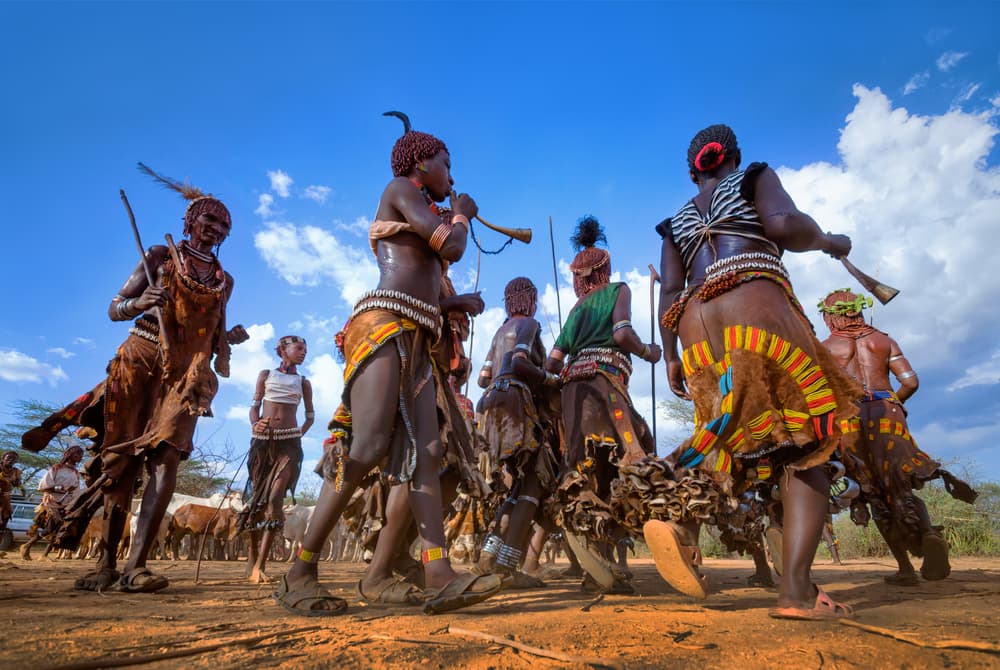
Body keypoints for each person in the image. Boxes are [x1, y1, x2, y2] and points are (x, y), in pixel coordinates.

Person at [276, 115, 502, 616]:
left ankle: (436, 572)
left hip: (417, 334)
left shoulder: (421, 205)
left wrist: (452, 303)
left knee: (430, 449)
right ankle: (300, 569)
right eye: (447, 163)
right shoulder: (401, 187)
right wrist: (460, 214)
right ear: (422, 162)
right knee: (371, 444)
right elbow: (453, 245)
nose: (452, 174)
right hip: (383, 325)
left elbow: (423, 274)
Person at [655, 125, 861, 619]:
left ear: (693, 171)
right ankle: (796, 592)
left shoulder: (675, 221)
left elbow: (668, 293)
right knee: (808, 443)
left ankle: (679, 518)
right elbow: (784, 223)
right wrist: (829, 240)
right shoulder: (754, 175)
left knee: (720, 434)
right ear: (733, 156)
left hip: (695, 326)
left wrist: (670, 355)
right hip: (753, 304)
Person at [20, 164, 249, 593]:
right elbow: (114, 307)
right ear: (190, 221)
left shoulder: (224, 281)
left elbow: (216, 330)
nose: (216, 228)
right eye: (210, 219)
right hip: (140, 357)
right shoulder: (162, 258)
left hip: (185, 375)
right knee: (118, 462)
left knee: (167, 463)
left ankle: (137, 566)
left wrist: (228, 338)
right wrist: (141, 300)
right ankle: (105, 564)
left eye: (223, 224)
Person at [819, 288, 977, 585]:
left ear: (831, 316)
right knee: (900, 483)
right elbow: (911, 382)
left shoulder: (826, 348)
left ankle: (905, 568)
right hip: (888, 414)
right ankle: (928, 533)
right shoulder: (884, 340)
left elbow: (820, 394)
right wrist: (894, 403)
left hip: (850, 421)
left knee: (872, 492)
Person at [544, 216, 661, 593]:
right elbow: (622, 334)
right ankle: (618, 552)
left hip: (571, 393)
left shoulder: (576, 311)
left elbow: (553, 361)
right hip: (607, 383)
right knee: (633, 452)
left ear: (580, 278)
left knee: (580, 468)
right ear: (605, 269)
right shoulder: (619, 291)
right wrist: (649, 351)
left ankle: (592, 562)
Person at [476, 277, 561, 587]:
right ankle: (508, 567)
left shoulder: (500, 331)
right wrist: (551, 380)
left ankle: (489, 556)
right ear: (530, 299)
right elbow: (521, 364)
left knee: (516, 487)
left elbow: (483, 378)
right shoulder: (527, 324)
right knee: (533, 486)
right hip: (516, 403)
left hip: (492, 405)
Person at [241, 335, 314, 584]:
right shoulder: (266, 375)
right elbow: (254, 408)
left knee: (275, 498)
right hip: (262, 445)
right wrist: (256, 423)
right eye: (299, 348)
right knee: (257, 503)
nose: (304, 353)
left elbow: (310, 417)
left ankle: (261, 565)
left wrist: (296, 435)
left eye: (305, 349)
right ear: (283, 351)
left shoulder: (303, 382)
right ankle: (253, 558)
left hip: (290, 446)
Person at [20, 446, 84, 560]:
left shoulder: (76, 473)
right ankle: (27, 545)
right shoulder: (56, 468)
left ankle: (44, 554)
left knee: (60, 530)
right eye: (77, 454)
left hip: (67, 504)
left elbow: (76, 491)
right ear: (69, 455)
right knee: (51, 529)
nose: (80, 457)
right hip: (52, 502)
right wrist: (63, 489)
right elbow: (44, 486)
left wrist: (75, 502)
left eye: (81, 454)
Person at [1, 451, 25, 538]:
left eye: (14, 459)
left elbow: (17, 484)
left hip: (5, 498)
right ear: (3, 459)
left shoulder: (16, 472)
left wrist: (17, 481)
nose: (11, 460)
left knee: (4, 522)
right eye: (8, 458)